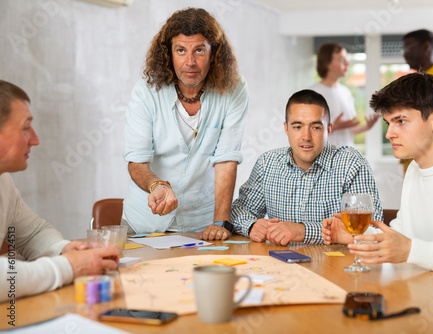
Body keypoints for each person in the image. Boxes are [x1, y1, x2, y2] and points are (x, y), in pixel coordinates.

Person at [321, 72, 433, 289]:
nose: (389, 134)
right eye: (389, 123)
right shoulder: (415, 168)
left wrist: (411, 251)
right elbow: (403, 238)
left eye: (401, 121)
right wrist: (357, 236)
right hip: (422, 298)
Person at [122, 8, 249, 240]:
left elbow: (226, 160)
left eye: (199, 50)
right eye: (181, 50)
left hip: (201, 224)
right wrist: (156, 185)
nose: (190, 62)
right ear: (169, 54)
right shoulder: (145, 92)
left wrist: (221, 222)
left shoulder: (234, 89)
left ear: (213, 53)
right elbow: (136, 161)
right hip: (145, 221)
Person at [0, 80, 119, 302]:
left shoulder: (3, 181)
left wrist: (65, 249)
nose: (35, 140)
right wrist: (68, 267)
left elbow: (33, 233)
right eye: (25, 127)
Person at [231, 89, 383, 246]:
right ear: (286, 128)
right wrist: (252, 226)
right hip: (280, 265)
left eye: (316, 127)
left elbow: (372, 229)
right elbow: (238, 211)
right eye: (297, 127)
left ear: (329, 130)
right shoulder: (267, 163)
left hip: (336, 266)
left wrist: (303, 231)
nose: (306, 137)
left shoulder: (351, 164)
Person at [310, 42, 379, 147]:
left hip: (346, 157)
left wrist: (367, 127)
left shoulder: (345, 92)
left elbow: (348, 131)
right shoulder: (313, 93)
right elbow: (309, 132)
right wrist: (334, 127)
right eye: (342, 60)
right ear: (327, 63)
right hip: (325, 158)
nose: (347, 63)